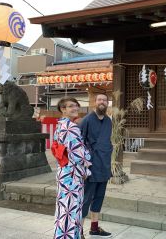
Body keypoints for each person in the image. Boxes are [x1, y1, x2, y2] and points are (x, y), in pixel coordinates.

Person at [53, 97, 91, 239]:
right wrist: (87, 167)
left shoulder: (61, 124)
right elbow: (78, 152)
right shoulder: (70, 126)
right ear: (63, 109)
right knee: (71, 209)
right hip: (72, 173)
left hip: (64, 170)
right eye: (70, 106)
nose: (75, 108)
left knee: (64, 209)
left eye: (76, 105)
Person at [79, 93, 113, 238]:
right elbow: (79, 144)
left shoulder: (108, 121)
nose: (102, 102)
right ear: (95, 102)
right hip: (91, 166)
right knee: (86, 199)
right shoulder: (86, 120)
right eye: (99, 100)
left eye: (104, 100)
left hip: (104, 165)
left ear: (107, 103)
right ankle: (78, 231)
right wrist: (83, 165)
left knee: (99, 197)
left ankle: (94, 228)